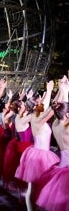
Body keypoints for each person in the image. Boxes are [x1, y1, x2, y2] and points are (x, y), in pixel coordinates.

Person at [35, 77, 69, 211]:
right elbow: (61, 108)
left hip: (60, 169)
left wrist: (63, 90)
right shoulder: (66, 128)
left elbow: (60, 108)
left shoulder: (55, 124)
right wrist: (64, 90)